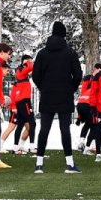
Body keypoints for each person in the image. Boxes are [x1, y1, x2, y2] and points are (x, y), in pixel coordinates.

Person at [32, 21, 84, 174]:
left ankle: (39, 164)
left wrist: (44, 87)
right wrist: (70, 88)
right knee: (64, 129)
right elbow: (78, 75)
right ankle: (69, 164)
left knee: (44, 130)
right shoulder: (70, 52)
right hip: (64, 96)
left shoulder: (42, 53)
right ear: (64, 34)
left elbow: (35, 75)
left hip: (47, 95)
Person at [2, 55, 35, 153]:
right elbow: (30, 67)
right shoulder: (21, 70)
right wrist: (13, 106)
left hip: (20, 102)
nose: (30, 62)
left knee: (20, 125)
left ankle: (17, 146)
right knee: (31, 124)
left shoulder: (22, 72)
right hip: (23, 101)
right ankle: (31, 146)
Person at [76, 62, 101, 155]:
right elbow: (84, 91)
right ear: (94, 70)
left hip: (81, 104)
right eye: (98, 70)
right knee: (94, 125)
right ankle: (88, 147)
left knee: (89, 124)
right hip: (88, 104)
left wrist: (79, 116)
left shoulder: (97, 82)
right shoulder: (89, 79)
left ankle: (82, 143)